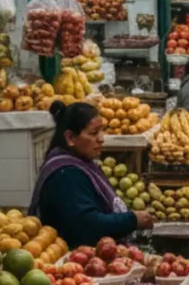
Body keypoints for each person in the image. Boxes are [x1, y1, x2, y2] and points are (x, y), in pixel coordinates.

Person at [30, 101, 153, 245]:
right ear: (70, 138)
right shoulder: (67, 175)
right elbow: (86, 225)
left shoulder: (80, 161)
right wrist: (132, 220)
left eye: (102, 130)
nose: (101, 138)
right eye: (94, 133)